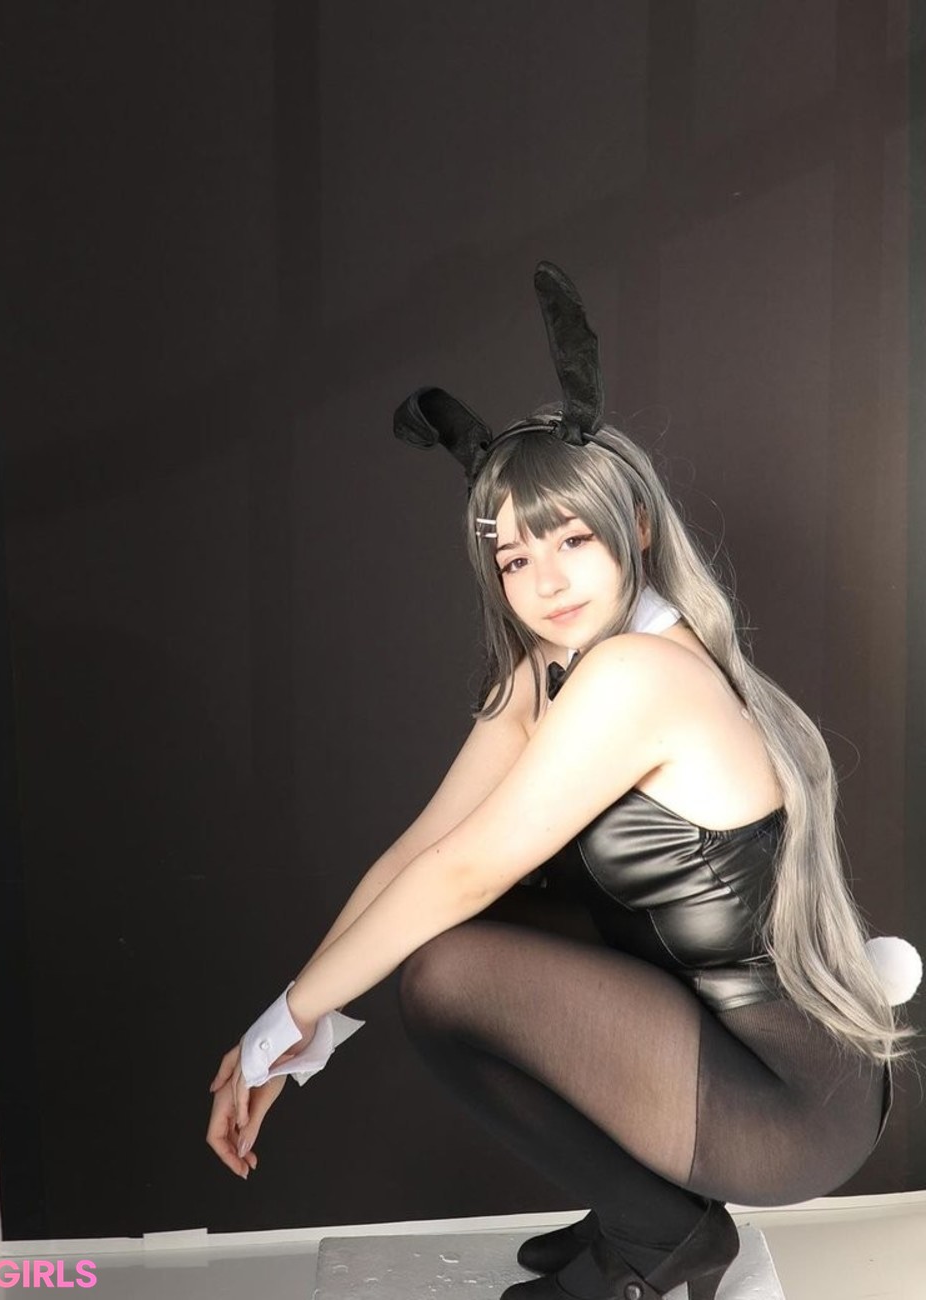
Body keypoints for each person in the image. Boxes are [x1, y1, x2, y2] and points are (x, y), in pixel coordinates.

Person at [206, 264, 912, 1300]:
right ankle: (646, 1214)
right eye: (514, 559)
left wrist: (282, 1024)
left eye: (573, 539)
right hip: (702, 1030)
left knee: (446, 972)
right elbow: (420, 851)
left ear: (635, 529)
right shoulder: (549, 666)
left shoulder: (637, 675)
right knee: (455, 939)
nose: (546, 582)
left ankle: (661, 1238)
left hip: (786, 1100)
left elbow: (461, 873)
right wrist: (295, 1034)